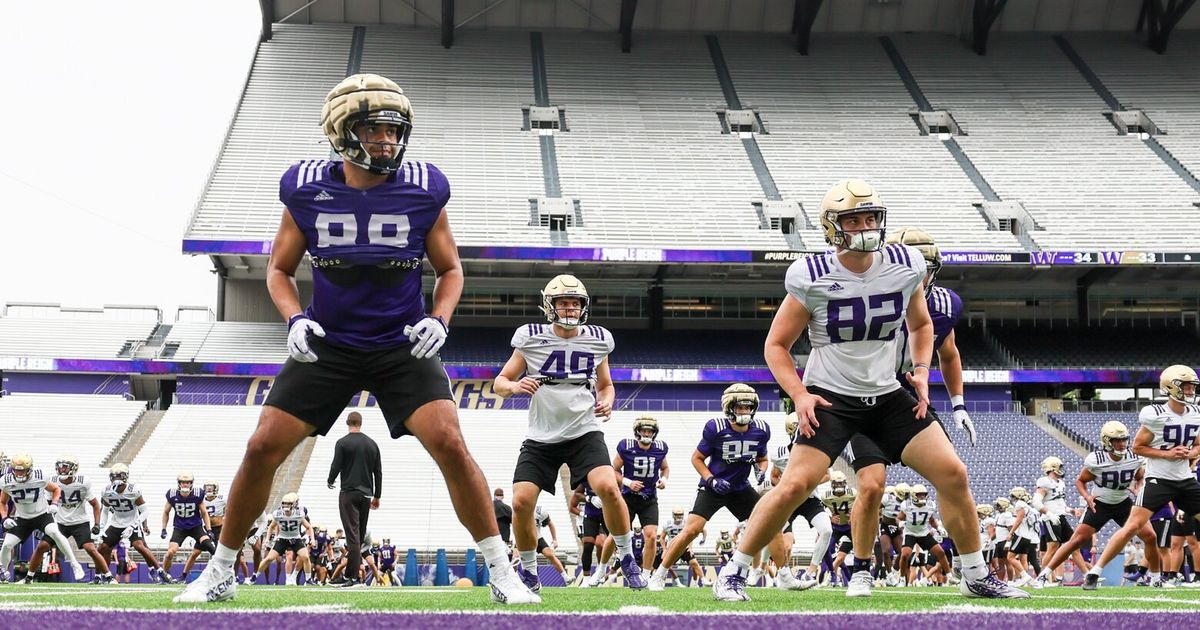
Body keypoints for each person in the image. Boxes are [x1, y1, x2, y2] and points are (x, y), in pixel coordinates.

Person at [175, 73, 534, 605]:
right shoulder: (306, 187)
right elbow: (278, 270)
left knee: (451, 444)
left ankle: (503, 572)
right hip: (330, 342)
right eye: (374, 130)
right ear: (342, 133)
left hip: (401, 342)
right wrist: (294, 319)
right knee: (261, 447)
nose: (387, 141)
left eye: (394, 131)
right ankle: (220, 570)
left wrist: (440, 319)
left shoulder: (423, 187)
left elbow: (451, 269)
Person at [713, 180, 1025, 601]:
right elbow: (776, 345)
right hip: (831, 397)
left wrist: (920, 370)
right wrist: (800, 395)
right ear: (832, 227)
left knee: (953, 474)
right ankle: (733, 571)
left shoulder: (905, 263)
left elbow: (921, 324)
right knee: (794, 485)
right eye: (854, 220)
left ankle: (975, 574)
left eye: (871, 217)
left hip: (887, 394)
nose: (865, 227)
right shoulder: (812, 274)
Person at [494, 274, 647, 593]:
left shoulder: (598, 338)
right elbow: (500, 382)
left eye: (575, 303)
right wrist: (516, 386)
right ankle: (529, 572)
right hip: (541, 435)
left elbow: (606, 385)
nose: (570, 308)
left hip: (583, 430)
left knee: (609, 487)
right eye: (563, 302)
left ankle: (627, 558)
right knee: (521, 502)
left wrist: (607, 401)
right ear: (549, 306)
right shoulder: (530, 338)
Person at [845, 227, 978, 589]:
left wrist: (959, 404)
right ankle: (861, 569)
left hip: (907, 397)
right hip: (862, 396)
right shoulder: (863, 294)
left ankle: (972, 570)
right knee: (871, 485)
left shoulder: (944, 304)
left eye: (926, 270)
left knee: (953, 475)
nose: (919, 277)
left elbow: (948, 353)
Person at [648, 384, 781, 591]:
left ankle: (783, 575)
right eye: (740, 407)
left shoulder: (761, 430)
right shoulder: (716, 428)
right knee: (691, 530)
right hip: (714, 487)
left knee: (772, 523)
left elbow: (762, 458)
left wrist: (761, 471)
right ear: (730, 408)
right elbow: (697, 458)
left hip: (740, 487)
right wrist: (711, 480)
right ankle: (659, 574)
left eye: (748, 407)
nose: (745, 411)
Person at [1081, 365, 1200, 590]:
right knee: (1132, 526)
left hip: (1185, 479)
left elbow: (1198, 445)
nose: (1190, 390)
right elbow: (1138, 447)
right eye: (1185, 386)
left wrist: (1190, 452)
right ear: (1170, 387)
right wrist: (1168, 454)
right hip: (1159, 480)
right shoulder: (1156, 414)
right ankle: (1095, 572)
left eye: (1192, 386)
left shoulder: (1195, 413)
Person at [1034, 421, 1158, 588]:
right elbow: (1080, 481)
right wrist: (1087, 496)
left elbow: (1140, 476)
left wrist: (1138, 487)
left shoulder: (1134, 456)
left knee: (1150, 536)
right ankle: (1043, 575)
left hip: (1124, 503)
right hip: (1099, 504)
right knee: (1075, 541)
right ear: (1107, 441)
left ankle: (1156, 578)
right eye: (1117, 440)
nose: (1122, 444)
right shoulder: (1096, 459)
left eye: (1124, 440)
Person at [25, 455, 108, 583]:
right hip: (59, 522)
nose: (62, 469)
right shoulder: (52, 481)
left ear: (74, 468)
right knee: (42, 546)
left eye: (65, 467)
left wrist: (97, 524)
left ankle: (108, 576)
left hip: (79, 521)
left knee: (90, 548)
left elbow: (95, 505)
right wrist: (41, 524)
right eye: (60, 466)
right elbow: (46, 503)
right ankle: (29, 577)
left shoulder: (83, 482)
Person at [1, 454, 81, 583]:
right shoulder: (6, 480)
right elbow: (2, 502)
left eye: (22, 470)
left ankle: (74, 564)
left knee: (55, 532)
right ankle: (2, 574)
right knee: (6, 545)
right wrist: (5, 518)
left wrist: (54, 503)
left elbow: (56, 489)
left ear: (29, 469)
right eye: (16, 470)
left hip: (42, 515)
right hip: (22, 518)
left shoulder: (39, 476)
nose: (19, 473)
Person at [327, 411, 383, 587]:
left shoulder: (342, 443)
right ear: (361, 423)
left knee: (352, 536)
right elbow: (378, 472)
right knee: (358, 536)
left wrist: (330, 480)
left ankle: (352, 577)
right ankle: (351, 576)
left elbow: (336, 464)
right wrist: (377, 495)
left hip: (349, 493)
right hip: (366, 495)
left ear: (347, 423)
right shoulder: (372, 444)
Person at [97, 464, 163, 583]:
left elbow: (144, 511)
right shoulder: (106, 491)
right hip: (116, 523)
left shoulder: (133, 490)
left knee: (140, 546)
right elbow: (104, 511)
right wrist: (101, 528)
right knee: (103, 547)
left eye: (119, 475)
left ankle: (158, 571)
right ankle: (104, 575)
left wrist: (137, 526)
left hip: (132, 522)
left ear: (125, 476)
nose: (117, 478)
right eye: (114, 476)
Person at [159, 472, 214, 584]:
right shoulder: (172, 494)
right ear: (179, 483)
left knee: (210, 546)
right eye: (183, 482)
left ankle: (224, 572)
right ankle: (165, 575)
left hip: (195, 527)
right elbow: (166, 512)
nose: (185, 484)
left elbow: (204, 512)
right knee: (170, 553)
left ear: (191, 483)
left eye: (187, 482)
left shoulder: (198, 494)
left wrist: (209, 530)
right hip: (180, 528)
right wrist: (163, 528)